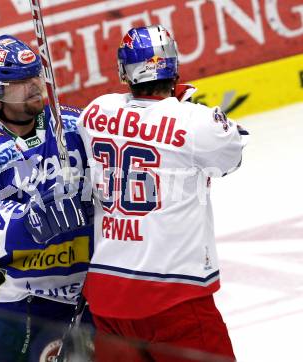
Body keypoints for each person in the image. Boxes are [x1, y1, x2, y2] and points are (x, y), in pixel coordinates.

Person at [76, 25, 249, 361]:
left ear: (124, 71)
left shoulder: (96, 112)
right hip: (174, 296)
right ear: (174, 65)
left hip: (108, 298)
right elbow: (231, 156)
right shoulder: (196, 121)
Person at [0, 34, 94, 362]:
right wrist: (45, 217)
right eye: (19, 83)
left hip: (80, 297)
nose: (34, 87)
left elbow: (124, 170)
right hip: (4, 304)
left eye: (35, 77)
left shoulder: (76, 125)